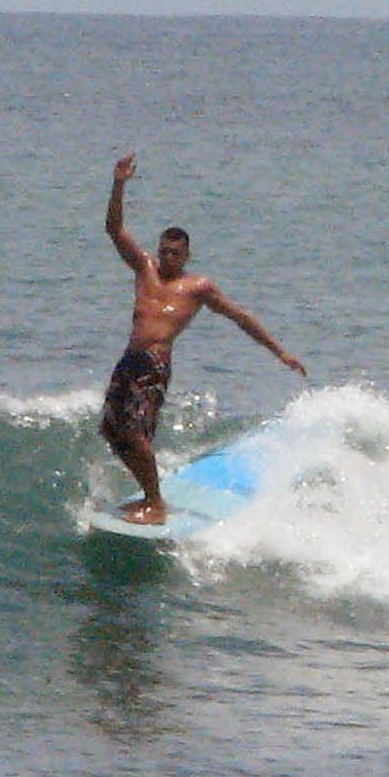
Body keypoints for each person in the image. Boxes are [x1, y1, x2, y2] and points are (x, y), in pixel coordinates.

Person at [99, 152, 305, 524]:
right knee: (114, 432)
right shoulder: (145, 269)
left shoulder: (199, 288)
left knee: (135, 432)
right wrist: (118, 183)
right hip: (129, 360)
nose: (167, 257)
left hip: (154, 366)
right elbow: (114, 229)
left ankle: (156, 503)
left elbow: (240, 317)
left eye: (175, 252)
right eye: (163, 250)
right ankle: (150, 496)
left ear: (187, 254)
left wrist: (281, 353)